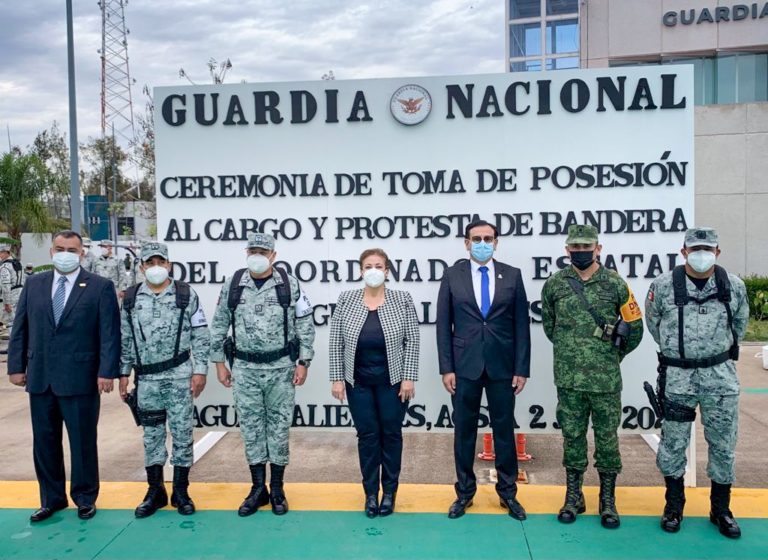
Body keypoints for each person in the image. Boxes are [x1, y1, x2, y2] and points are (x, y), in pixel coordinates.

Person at [7, 230, 121, 522]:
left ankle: (85, 497)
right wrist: (16, 366)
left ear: (82, 253)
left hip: (81, 377)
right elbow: (20, 327)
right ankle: (51, 499)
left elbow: (109, 333)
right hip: (41, 376)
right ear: (51, 251)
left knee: (82, 442)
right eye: (60, 248)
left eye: (72, 249)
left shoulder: (100, 287)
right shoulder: (34, 284)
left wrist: (107, 371)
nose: (65, 254)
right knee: (44, 442)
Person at [645, 227, 748, 539]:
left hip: (720, 376)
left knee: (723, 443)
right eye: (695, 249)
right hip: (678, 377)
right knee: (673, 442)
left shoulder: (733, 286)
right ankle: (674, 506)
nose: (701, 255)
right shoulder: (663, 286)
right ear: (684, 252)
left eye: (707, 249)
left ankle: (721, 509)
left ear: (717, 252)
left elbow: (740, 325)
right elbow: (654, 323)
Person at [541, 224, 644, 529]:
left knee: (607, 440)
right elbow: (550, 327)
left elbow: (635, 328)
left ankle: (607, 500)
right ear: (567, 250)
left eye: (587, 247)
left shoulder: (615, 283)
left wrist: (611, 358)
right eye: (576, 247)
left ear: (598, 249)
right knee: (572, 438)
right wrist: (573, 354)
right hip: (569, 380)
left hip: (605, 382)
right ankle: (574, 496)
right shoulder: (555, 284)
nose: (581, 252)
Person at [210, 233, 315, 516]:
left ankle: (277, 488)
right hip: (244, 370)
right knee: (252, 429)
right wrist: (219, 363)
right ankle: (258, 489)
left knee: (279, 428)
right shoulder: (233, 284)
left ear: (273, 256)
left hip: (281, 369)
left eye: (263, 251)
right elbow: (219, 323)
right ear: (246, 253)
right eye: (253, 251)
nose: (257, 256)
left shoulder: (289, 284)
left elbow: (305, 324)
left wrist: (304, 361)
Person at [436, 219, 531, 520]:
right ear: (466, 243)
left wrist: (521, 368)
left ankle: (508, 493)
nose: (482, 243)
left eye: (488, 239)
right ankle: (464, 493)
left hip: (503, 366)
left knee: (504, 431)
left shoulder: (512, 275)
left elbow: (522, 325)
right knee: (464, 431)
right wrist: (447, 368)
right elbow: (443, 325)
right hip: (465, 367)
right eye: (476, 239)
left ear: (496, 243)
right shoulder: (452, 275)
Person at [118, 242, 211, 518]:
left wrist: (200, 370)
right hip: (147, 379)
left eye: (161, 262)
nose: (155, 267)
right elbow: (126, 339)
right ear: (142, 266)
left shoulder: (185, 294)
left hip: (179, 375)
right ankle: (155, 491)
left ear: (168, 264)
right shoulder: (131, 298)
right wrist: (123, 373)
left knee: (182, 433)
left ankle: (181, 491)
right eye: (150, 262)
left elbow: (200, 334)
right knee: (152, 435)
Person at [329, 248, 419, 518]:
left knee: (391, 435)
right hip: (358, 383)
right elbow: (335, 341)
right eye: (368, 266)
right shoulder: (346, 299)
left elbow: (412, 340)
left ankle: (389, 493)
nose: (373, 271)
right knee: (367, 437)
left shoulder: (402, 299)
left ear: (387, 271)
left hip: (393, 383)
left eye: (379, 266)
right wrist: (336, 378)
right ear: (360, 271)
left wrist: (409, 377)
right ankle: (370, 494)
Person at [0, 244, 24, 332]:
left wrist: (7, 303)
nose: (0, 255)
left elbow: (5, 285)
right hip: (20, 294)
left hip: (11, 296)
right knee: (18, 320)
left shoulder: (5, 266)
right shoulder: (18, 263)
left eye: (1, 253)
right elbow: (23, 280)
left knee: (8, 323)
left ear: (7, 253)